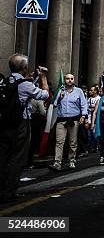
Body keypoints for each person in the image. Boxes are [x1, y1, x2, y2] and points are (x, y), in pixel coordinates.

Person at [0, 54, 49, 201]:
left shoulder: (5, 81)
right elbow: (44, 94)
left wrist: (33, 77)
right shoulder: (25, 84)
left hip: (5, 124)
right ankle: (9, 191)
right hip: (21, 123)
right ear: (24, 68)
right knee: (18, 157)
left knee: (3, 156)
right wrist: (43, 78)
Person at [49, 73, 87, 171]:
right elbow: (54, 104)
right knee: (59, 142)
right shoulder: (60, 91)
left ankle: (72, 160)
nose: (69, 80)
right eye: (67, 79)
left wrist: (83, 116)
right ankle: (57, 162)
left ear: (74, 80)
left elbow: (83, 104)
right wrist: (59, 97)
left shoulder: (79, 91)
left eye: (71, 78)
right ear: (64, 80)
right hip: (62, 120)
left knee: (72, 142)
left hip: (74, 120)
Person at [86, 85, 100, 152]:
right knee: (89, 135)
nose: (90, 92)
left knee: (95, 135)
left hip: (96, 119)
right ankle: (90, 148)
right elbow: (86, 109)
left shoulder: (99, 99)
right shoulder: (88, 99)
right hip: (89, 118)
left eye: (91, 90)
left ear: (95, 91)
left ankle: (97, 147)